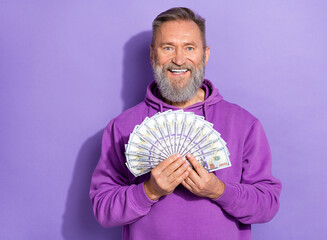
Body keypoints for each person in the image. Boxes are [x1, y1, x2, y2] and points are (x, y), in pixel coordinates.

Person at [90, 7, 281, 240]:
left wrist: (218, 190)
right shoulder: (122, 127)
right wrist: (149, 191)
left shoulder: (244, 124)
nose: (179, 60)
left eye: (189, 48)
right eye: (168, 47)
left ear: (205, 54)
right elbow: (103, 209)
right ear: (152, 55)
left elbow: (267, 205)